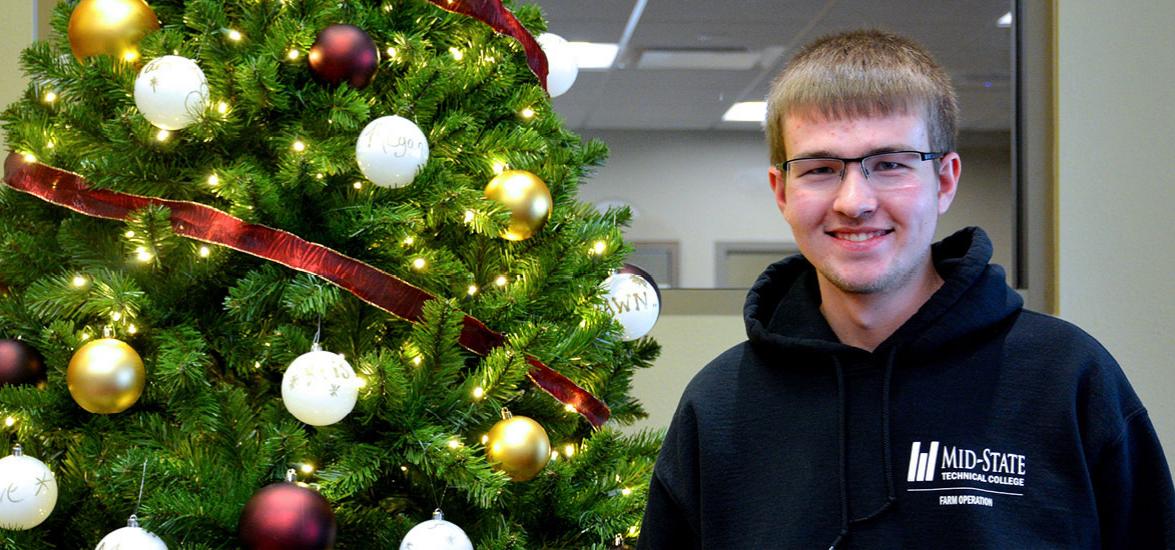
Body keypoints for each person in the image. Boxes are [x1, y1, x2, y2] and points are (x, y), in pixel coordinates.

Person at [637, 29, 1175, 549]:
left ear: (944, 180)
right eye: (821, 168)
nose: (854, 201)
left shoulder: (1068, 378)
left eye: (890, 164)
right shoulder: (720, 405)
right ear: (781, 191)